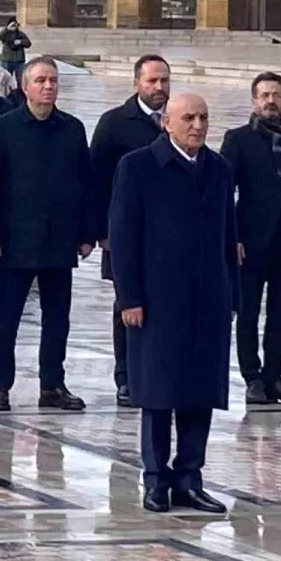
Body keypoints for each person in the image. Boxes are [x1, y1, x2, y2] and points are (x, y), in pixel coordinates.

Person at [110, 92, 238, 515]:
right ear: (167, 122)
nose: (198, 126)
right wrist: (129, 297)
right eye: (189, 118)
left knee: (199, 392)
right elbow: (124, 238)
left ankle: (189, 478)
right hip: (157, 301)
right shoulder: (138, 166)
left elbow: (227, 239)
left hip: (207, 301)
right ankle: (155, 479)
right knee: (158, 394)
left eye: (204, 117)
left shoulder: (218, 169)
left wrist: (231, 295)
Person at [0, 56, 94, 413]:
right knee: (7, 319)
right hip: (15, 241)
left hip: (59, 241)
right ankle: (1, 384)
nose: (49, 86)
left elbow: (84, 184)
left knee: (57, 318)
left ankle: (52, 384)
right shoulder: (3, 128)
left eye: (54, 81)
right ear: (24, 86)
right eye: (41, 80)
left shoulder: (73, 129)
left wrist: (85, 232)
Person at [221, 72, 281, 406]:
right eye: (264, 95)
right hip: (249, 242)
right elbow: (224, 192)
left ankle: (274, 376)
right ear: (254, 101)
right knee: (248, 312)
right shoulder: (237, 140)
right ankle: (253, 378)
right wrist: (230, 236)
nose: (270, 101)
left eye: (276, 95)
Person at [89, 54, 171, 407]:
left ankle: (157, 372)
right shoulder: (115, 123)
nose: (159, 88)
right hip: (125, 233)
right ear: (137, 82)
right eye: (152, 81)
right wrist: (99, 230)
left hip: (167, 235)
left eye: (164, 80)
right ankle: (126, 376)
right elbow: (94, 179)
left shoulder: (176, 120)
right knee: (127, 303)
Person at [0, 19, 31, 83]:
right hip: (7, 60)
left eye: (15, 25)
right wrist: (7, 29)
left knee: (20, 79)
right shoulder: (5, 34)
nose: (14, 26)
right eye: (12, 25)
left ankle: (20, 91)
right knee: (5, 79)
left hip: (19, 60)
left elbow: (28, 44)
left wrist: (21, 41)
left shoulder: (21, 34)